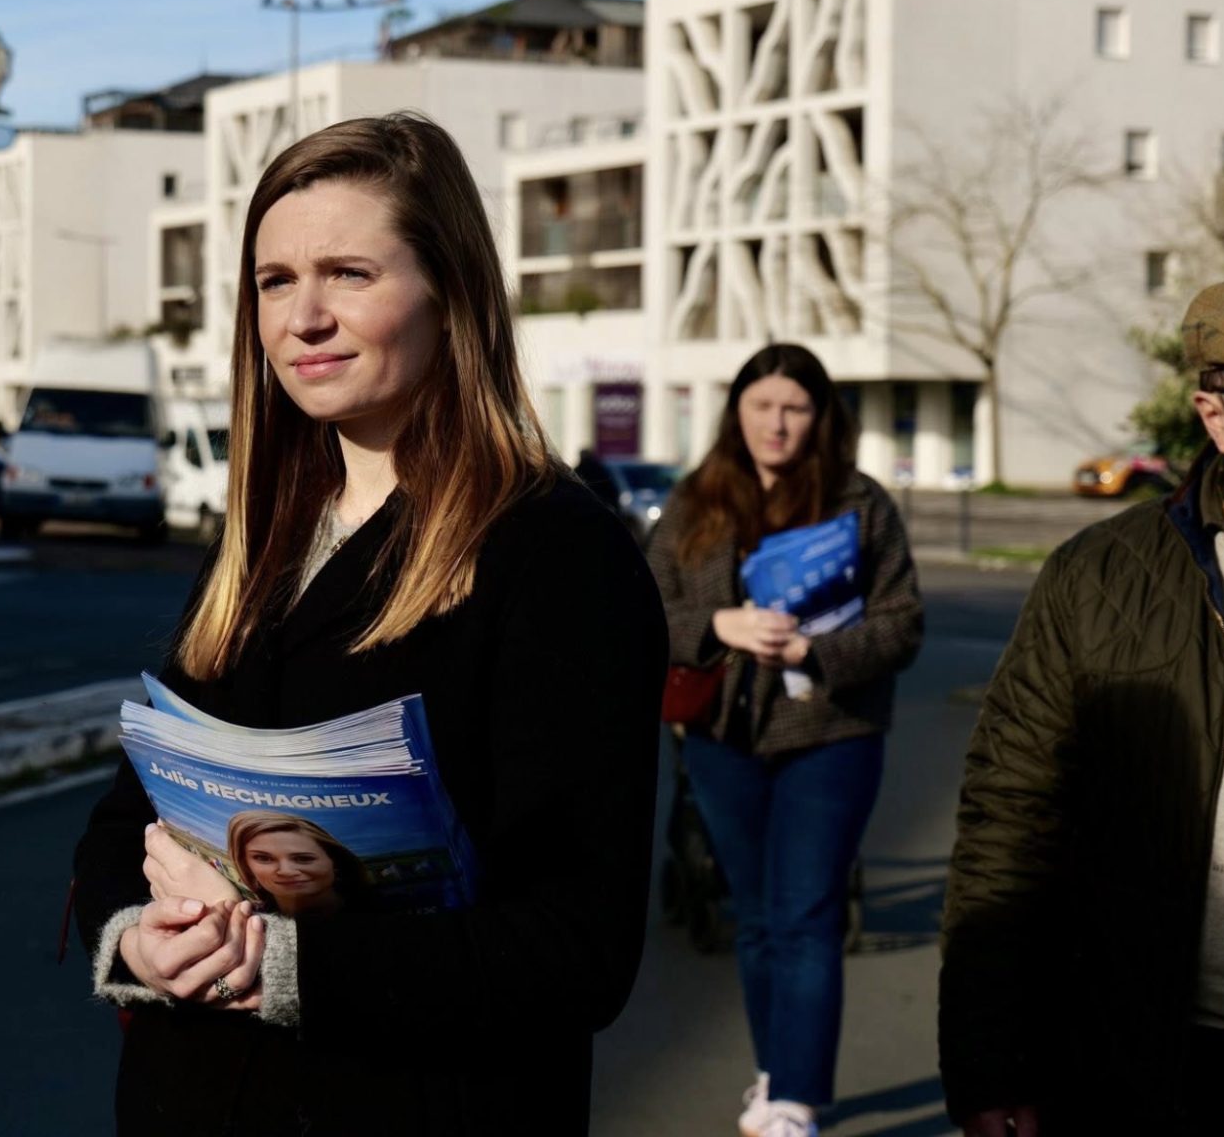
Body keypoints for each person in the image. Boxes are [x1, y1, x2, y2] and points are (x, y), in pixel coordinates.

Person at [72, 112, 665, 1136]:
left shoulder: (556, 553)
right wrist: (136, 937)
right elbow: (124, 824)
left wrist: (285, 962)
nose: (304, 315)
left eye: (348, 272)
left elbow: (578, 947)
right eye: (273, 280)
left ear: (452, 292)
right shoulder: (255, 540)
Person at [941, 271, 1224, 1134]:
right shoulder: (1102, 577)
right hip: (1158, 1054)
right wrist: (992, 1063)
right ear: (1216, 417)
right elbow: (1010, 819)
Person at [645, 344, 923, 1137]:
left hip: (830, 734)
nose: (777, 423)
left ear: (820, 416)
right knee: (759, 917)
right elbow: (641, 610)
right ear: (737, 411)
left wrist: (816, 651)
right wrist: (718, 625)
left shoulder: (859, 503)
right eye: (762, 405)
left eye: (795, 408)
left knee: (806, 915)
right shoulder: (697, 503)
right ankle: (777, 1073)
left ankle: (798, 1099)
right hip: (722, 737)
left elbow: (904, 625)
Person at [224, 812, 368, 919]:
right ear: (246, 865)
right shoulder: (247, 918)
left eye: (303, 859)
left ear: (335, 862)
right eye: (263, 858)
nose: (286, 871)